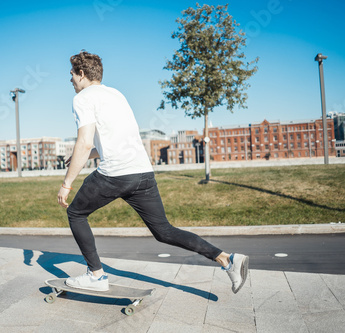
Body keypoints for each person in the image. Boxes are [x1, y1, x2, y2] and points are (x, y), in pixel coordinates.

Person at [56, 51, 249, 294]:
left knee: (75, 213)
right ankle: (227, 259)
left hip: (115, 175)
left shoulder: (83, 98)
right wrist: (81, 156)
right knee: (164, 231)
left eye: (71, 74)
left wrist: (67, 183)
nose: (71, 80)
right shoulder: (116, 95)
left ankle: (96, 275)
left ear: (81, 74)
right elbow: (114, 142)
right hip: (143, 173)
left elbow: (84, 142)